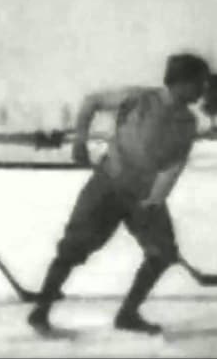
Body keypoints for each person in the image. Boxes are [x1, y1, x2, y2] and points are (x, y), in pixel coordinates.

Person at [28, 53, 210, 335]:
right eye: (198, 83)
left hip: (144, 197)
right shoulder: (141, 98)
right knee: (73, 248)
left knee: (162, 253)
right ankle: (40, 311)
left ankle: (127, 315)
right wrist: (79, 141)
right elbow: (92, 102)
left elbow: (174, 165)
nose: (202, 90)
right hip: (108, 186)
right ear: (181, 82)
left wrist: (156, 199)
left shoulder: (188, 122)